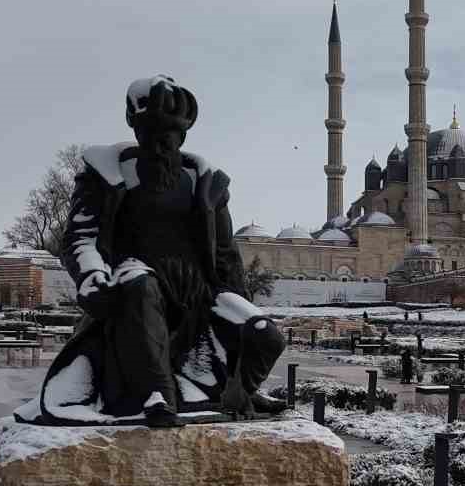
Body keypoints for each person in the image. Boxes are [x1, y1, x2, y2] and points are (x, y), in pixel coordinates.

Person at [21, 75, 286, 426]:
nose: (159, 146)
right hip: (135, 287)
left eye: (167, 138)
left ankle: (236, 394)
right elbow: (81, 236)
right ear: (136, 132)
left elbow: (225, 255)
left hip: (198, 294)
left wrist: (239, 304)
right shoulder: (107, 174)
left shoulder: (205, 184)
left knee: (266, 334)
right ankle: (156, 396)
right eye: (149, 135)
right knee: (141, 286)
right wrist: (93, 276)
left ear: (182, 136)